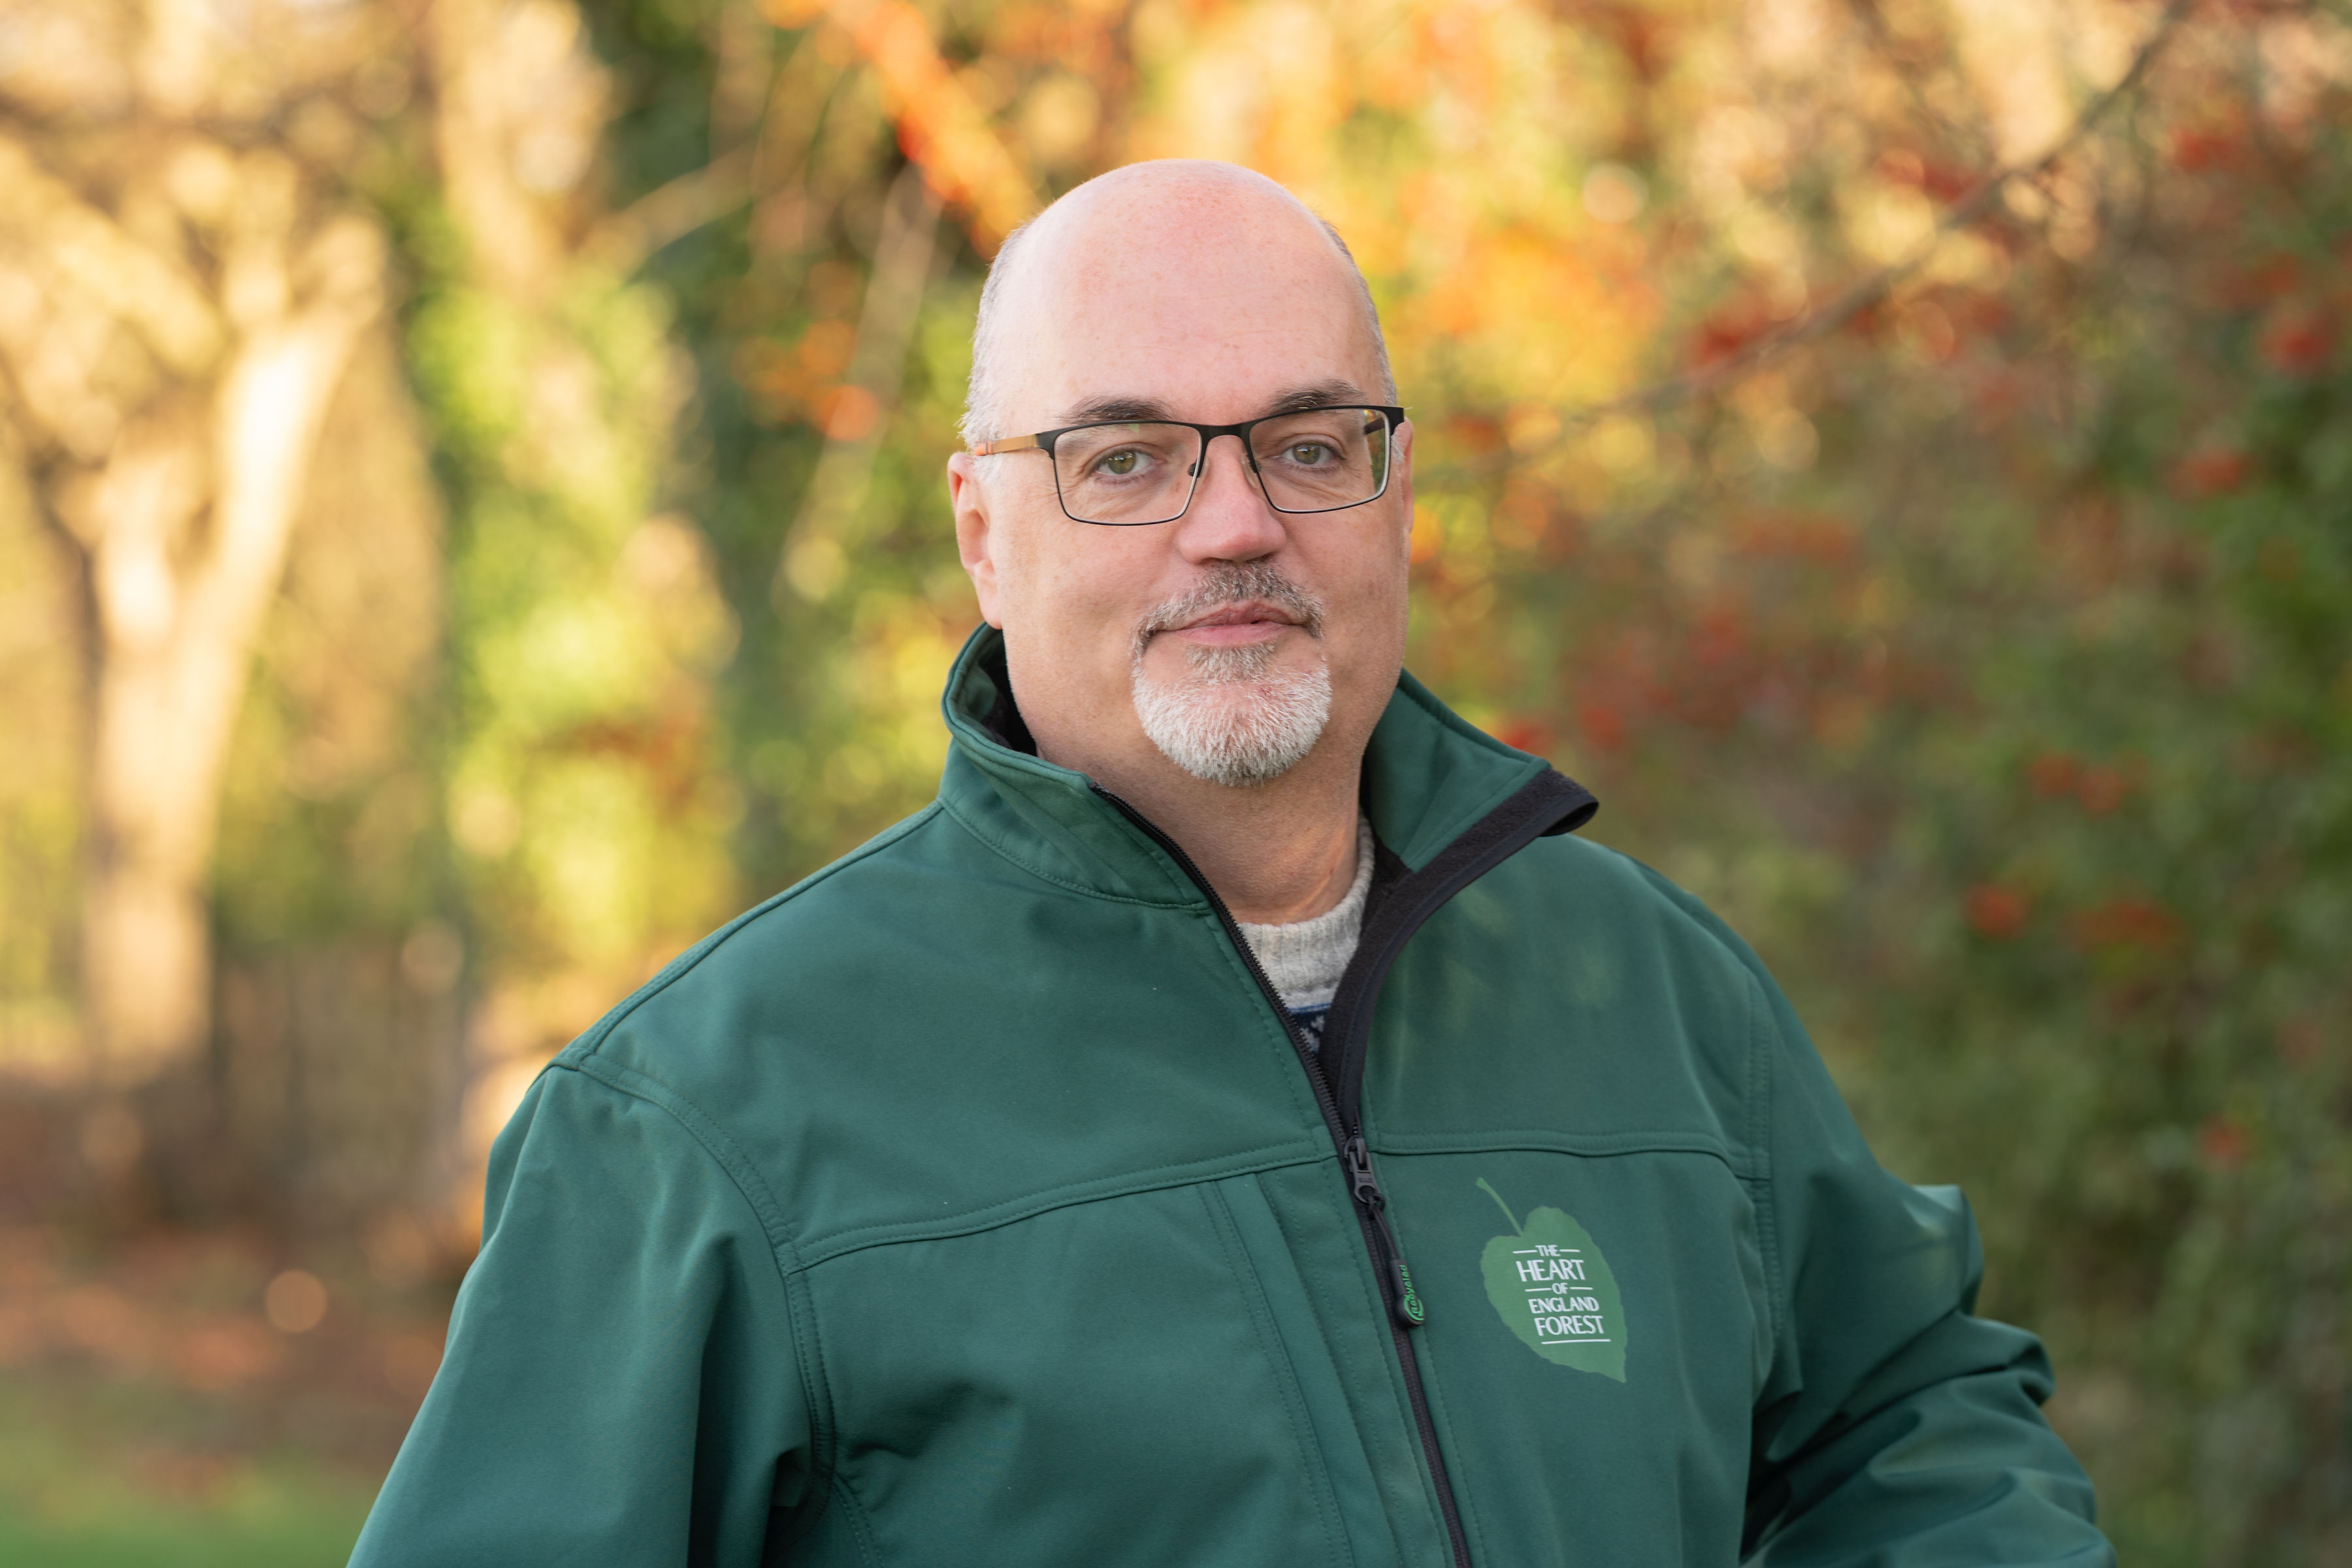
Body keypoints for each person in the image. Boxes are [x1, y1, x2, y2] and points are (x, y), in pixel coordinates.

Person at [350, 160, 2112, 1567]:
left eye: (1307, 443)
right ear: (983, 528)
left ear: (1394, 488)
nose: (1236, 523)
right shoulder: (704, 1118)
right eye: (1125, 458)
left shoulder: (1636, 984)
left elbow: (1916, 1419)